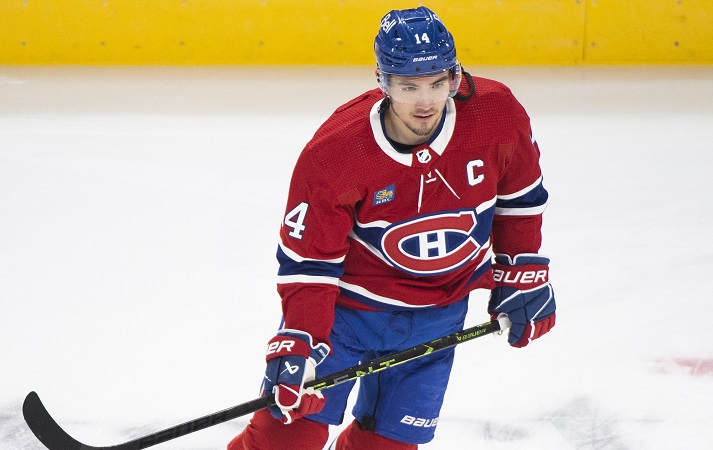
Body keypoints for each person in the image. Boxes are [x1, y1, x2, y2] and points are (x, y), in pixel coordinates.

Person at [228, 6, 556, 450]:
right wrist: (300, 337)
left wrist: (522, 269)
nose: (425, 102)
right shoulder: (336, 152)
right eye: (408, 86)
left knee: (387, 446)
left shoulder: (496, 114)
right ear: (382, 81)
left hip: (440, 314)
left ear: (455, 76)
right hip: (347, 315)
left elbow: (520, 199)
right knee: (286, 440)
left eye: (438, 83)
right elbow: (309, 262)